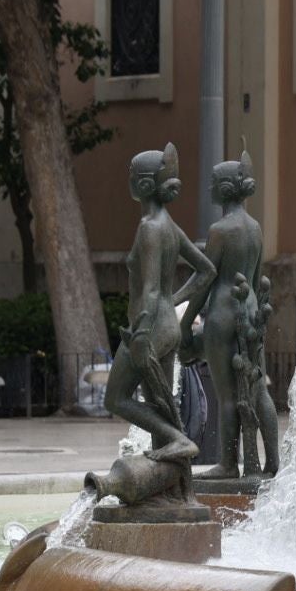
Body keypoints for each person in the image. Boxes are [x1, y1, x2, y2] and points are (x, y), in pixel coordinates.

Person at [104, 143, 216, 464]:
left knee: (116, 398)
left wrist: (139, 334)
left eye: (131, 174)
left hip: (149, 329)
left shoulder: (150, 228)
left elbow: (151, 291)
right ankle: (171, 489)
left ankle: (178, 440)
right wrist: (175, 301)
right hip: (169, 328)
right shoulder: (169, 225)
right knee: (160, 407)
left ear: (142, 185)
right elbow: (206, 271)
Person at [180, 150, 280, 479]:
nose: (208, 188)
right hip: (249, 308)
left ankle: (228, 464)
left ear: (224, 189)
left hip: (223, 311)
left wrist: (184, 319)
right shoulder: (254, 228)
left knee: (227, 394)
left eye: (212, 183)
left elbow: (205, 278)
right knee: (257, 388)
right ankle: (271, 462)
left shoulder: (220, 230)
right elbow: (254, 276)